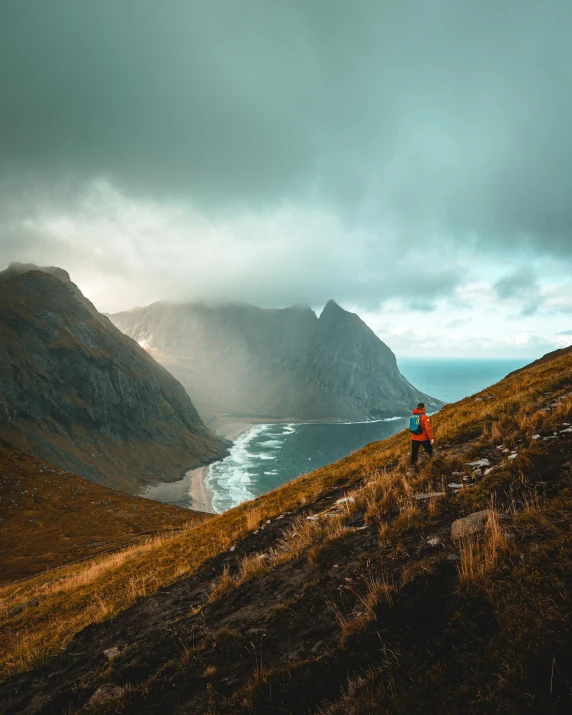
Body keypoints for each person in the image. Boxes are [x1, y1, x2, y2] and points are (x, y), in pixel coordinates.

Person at [410, 402, 434, 467]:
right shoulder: (425, 417)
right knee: (429, 451)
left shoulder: (413, 416)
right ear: (423, 408)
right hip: (423, 438)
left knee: (414, 453)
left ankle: (413, 466)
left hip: (414, 438)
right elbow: (428, 429)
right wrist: (431, 438)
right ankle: (429, 464)